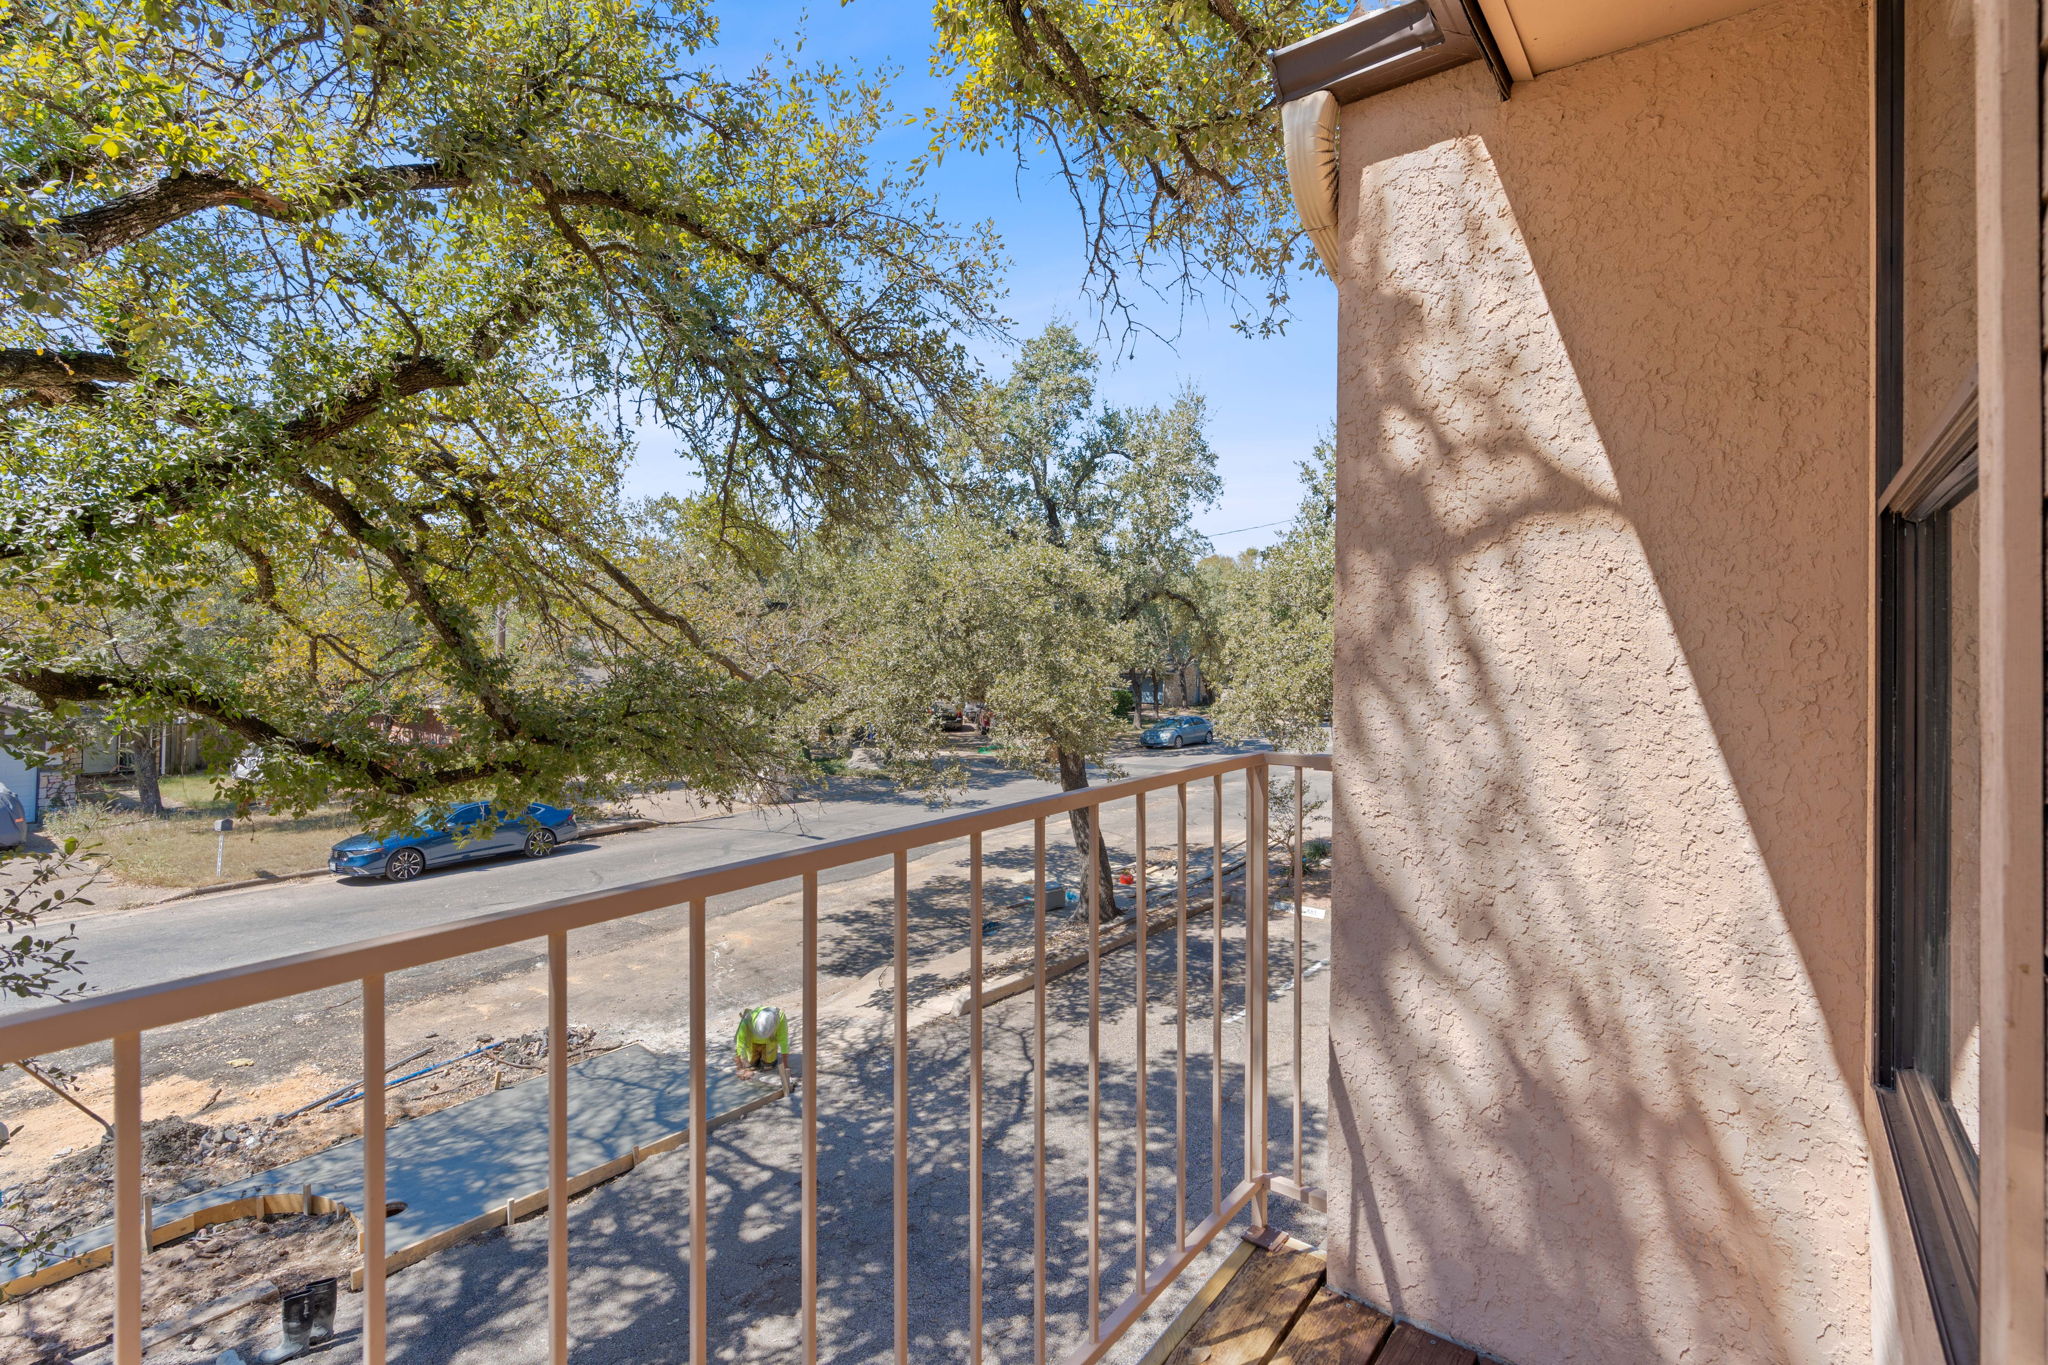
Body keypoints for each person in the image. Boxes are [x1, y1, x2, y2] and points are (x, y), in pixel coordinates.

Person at [733, 1005, 790, 1081]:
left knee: (768, 1066)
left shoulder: (780, 1018)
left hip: (769, 1042)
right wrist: (741, 1068)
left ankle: (769, 1060)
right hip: (752, 1042)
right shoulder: (748, 1019)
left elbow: (784, 1042)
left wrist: (785, 1067)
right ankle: (754, 1058)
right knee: (751, 1065)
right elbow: (739, 1043)